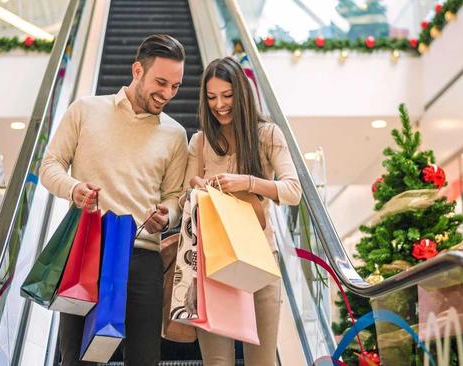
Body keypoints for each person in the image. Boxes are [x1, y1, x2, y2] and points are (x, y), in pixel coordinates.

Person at [40, 34, 188, 366]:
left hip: (144, 258)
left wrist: (168, 215)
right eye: (160, 82)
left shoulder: (175, 134)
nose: (167, 94)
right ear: (138, 70)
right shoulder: (85, 110)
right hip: (87, 252)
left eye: (176, 86)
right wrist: (74, 189)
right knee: (78, 359)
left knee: (144, 359)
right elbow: (49, 165)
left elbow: (175, 197)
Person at [183, 56, 302, 365]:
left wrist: (246, 182)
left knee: (261, 360)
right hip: (213, 262)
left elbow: (293, 191)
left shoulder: (267, 135)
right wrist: (196, 186)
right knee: (216, 362)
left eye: (227, 95)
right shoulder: (201, 141)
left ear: (242, 94)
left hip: (260, 257)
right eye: (211, 97)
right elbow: (186, 194)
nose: (219, 104)